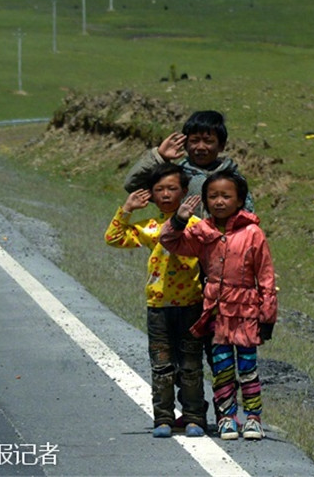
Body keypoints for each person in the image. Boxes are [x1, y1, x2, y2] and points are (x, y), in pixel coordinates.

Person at [159, 169, 277, 441]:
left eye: (226, 196)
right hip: (215, 312)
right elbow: (169, 241)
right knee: (222, 367)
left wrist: (267, 316)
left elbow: (266, 277)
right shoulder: (202, 231)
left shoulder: (253, 233)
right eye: (213, 196)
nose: (219, 201)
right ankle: (226, 417)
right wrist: (179, 220)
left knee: (248, 367)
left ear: (240, 200)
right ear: (204, 200)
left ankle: (253, 419)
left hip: (246, 311)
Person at [104, 163, 207, 438]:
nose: (165, 194)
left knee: (190, 365)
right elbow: (113, 238)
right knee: (161, 365)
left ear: (184, 191)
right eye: (159, 189)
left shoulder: (198, 227)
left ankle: (194, 417)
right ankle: (163, 418)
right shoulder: (149, 227)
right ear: (150, 194)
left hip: (191, 306)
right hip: (158, 308)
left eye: (172, 188)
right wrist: (126, 209)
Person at [123, 110, 254, 217]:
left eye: (208, 141)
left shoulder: (234, 180)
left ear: (221, 146)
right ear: (185, 144)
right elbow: (134, 184)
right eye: (194, 140)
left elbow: (247, 216)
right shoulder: (176, 178)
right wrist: (159, 157)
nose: (201, 147)